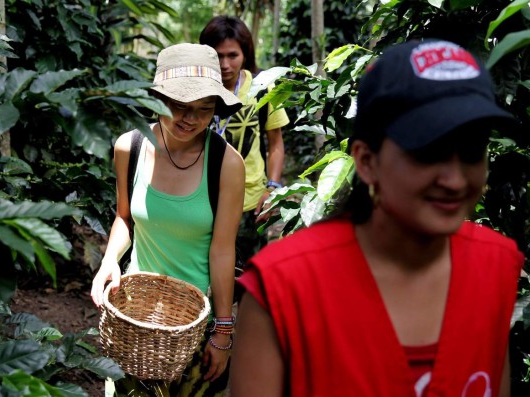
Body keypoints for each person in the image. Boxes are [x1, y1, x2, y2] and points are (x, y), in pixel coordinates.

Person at [230, 39, 524, 396]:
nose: (455, 179)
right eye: (428, 152)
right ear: (367, 161)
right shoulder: (281, 291)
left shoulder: (495, 265)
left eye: (472, 150)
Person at [91, 43, 245, 396]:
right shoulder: (129, 147)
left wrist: (223, 332)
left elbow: (223, 251)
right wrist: (109, 262)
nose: (190, 119)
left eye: (204, 110)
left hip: (196, 324)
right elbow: (124, 219)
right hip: (136, 321)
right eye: (179, 107)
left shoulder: (226, 165)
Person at [200, 16, 290, 264]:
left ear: (245, 54)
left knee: (247, 273)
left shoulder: (261, 88)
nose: (225, 64)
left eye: (232, 55)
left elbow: (276, 143)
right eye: (217, 56)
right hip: (201, 197)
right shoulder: (198, 89)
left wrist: (272, 187)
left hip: (249, 201)